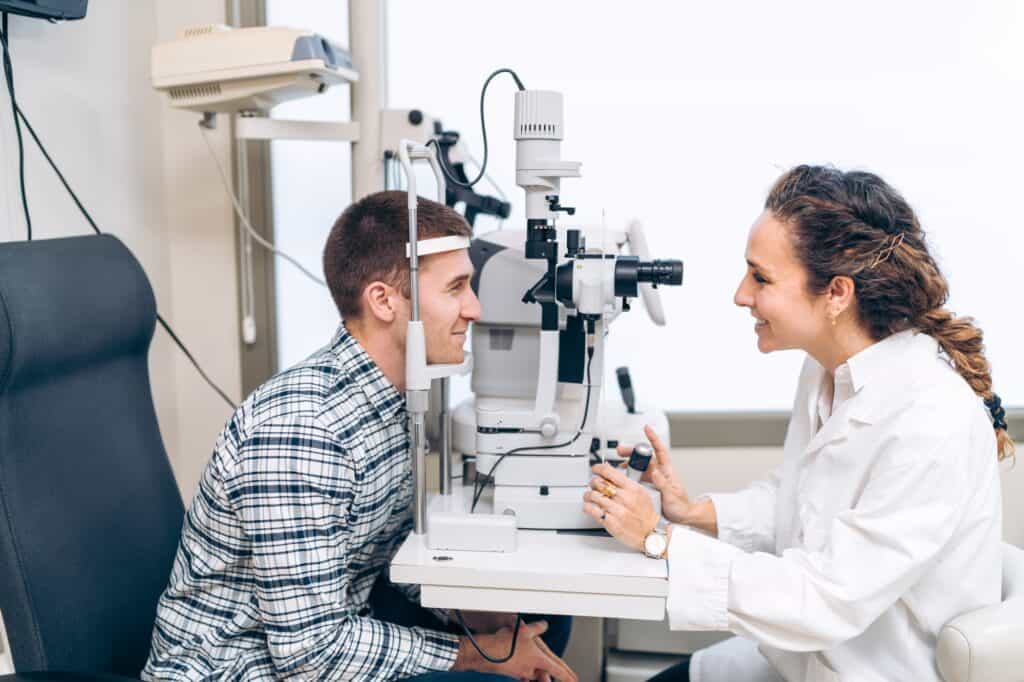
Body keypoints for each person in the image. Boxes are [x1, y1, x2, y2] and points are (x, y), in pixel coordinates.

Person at [584, 166, 1011, 681]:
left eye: (761, 277)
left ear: (836, 293)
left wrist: (659, 540)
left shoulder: (930, 418)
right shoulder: (827, 368)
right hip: (796, 661)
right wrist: (694, 511)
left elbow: (827, 599)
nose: (741, 295)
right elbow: (802, 499)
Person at [143, 191, 576, 681]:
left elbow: (382, 553)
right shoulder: (304, 434)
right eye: (456, 289)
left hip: (344, 620)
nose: (475, 309)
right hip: (246, 668)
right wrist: (479, 653)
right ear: (384, 300)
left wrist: (473, 616)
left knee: (541, 620)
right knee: (490, 674)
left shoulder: (398, 401)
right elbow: (310, 658)